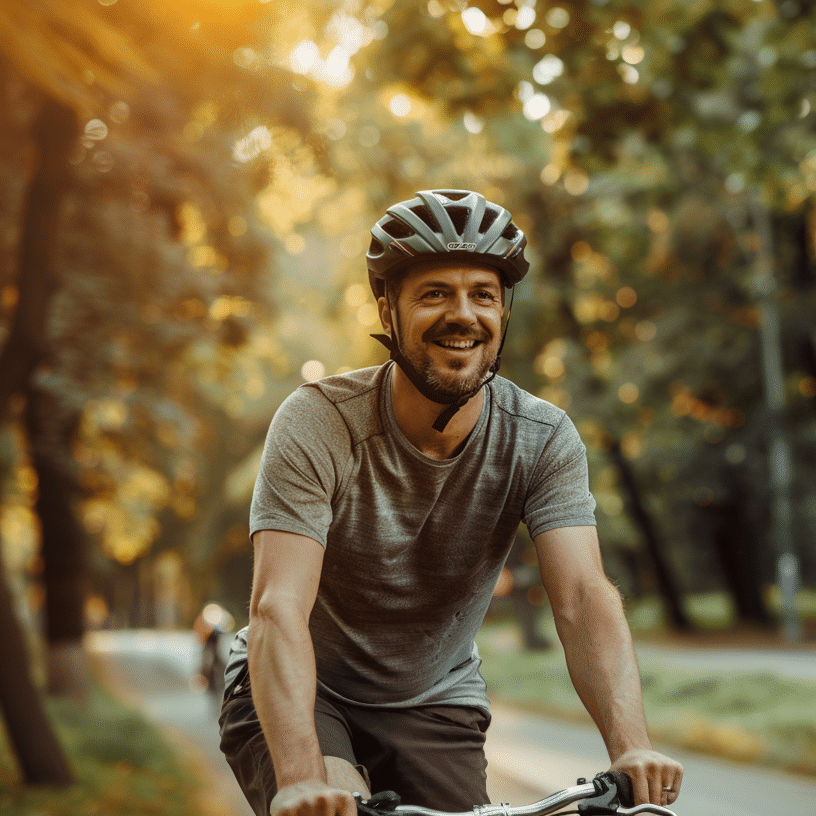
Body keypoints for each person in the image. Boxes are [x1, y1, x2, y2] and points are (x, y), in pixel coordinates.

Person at [218, 189, 683, 816]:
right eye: (435, 293)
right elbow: (277, 608)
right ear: (388, 308)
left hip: (433, 698)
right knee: (333, 806)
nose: (462, 314)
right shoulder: (319, 423)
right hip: (302, 688)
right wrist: (302, 778)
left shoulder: (542, 438)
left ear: (502, 311)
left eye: (482, 295)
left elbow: (580, 597)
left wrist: (631, 749)